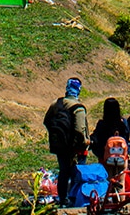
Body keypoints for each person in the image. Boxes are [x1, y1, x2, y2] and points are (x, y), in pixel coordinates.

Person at [44, 77, 88, 205]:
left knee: (63, 172)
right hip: (75, 148)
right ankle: (74, 199)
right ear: (79, 90)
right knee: (77, 174)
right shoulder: (78, 108)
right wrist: (84, 142)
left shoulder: (56, 103)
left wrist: (57, 136)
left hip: (60, 146)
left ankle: (62, 199)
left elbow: (47, 121)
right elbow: (80, 130)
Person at [89, 97, 130, 167]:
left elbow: (96, 138)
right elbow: (127, 137)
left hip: (105, 157)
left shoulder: (102, 124)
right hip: (122, 156)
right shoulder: (123, 123)